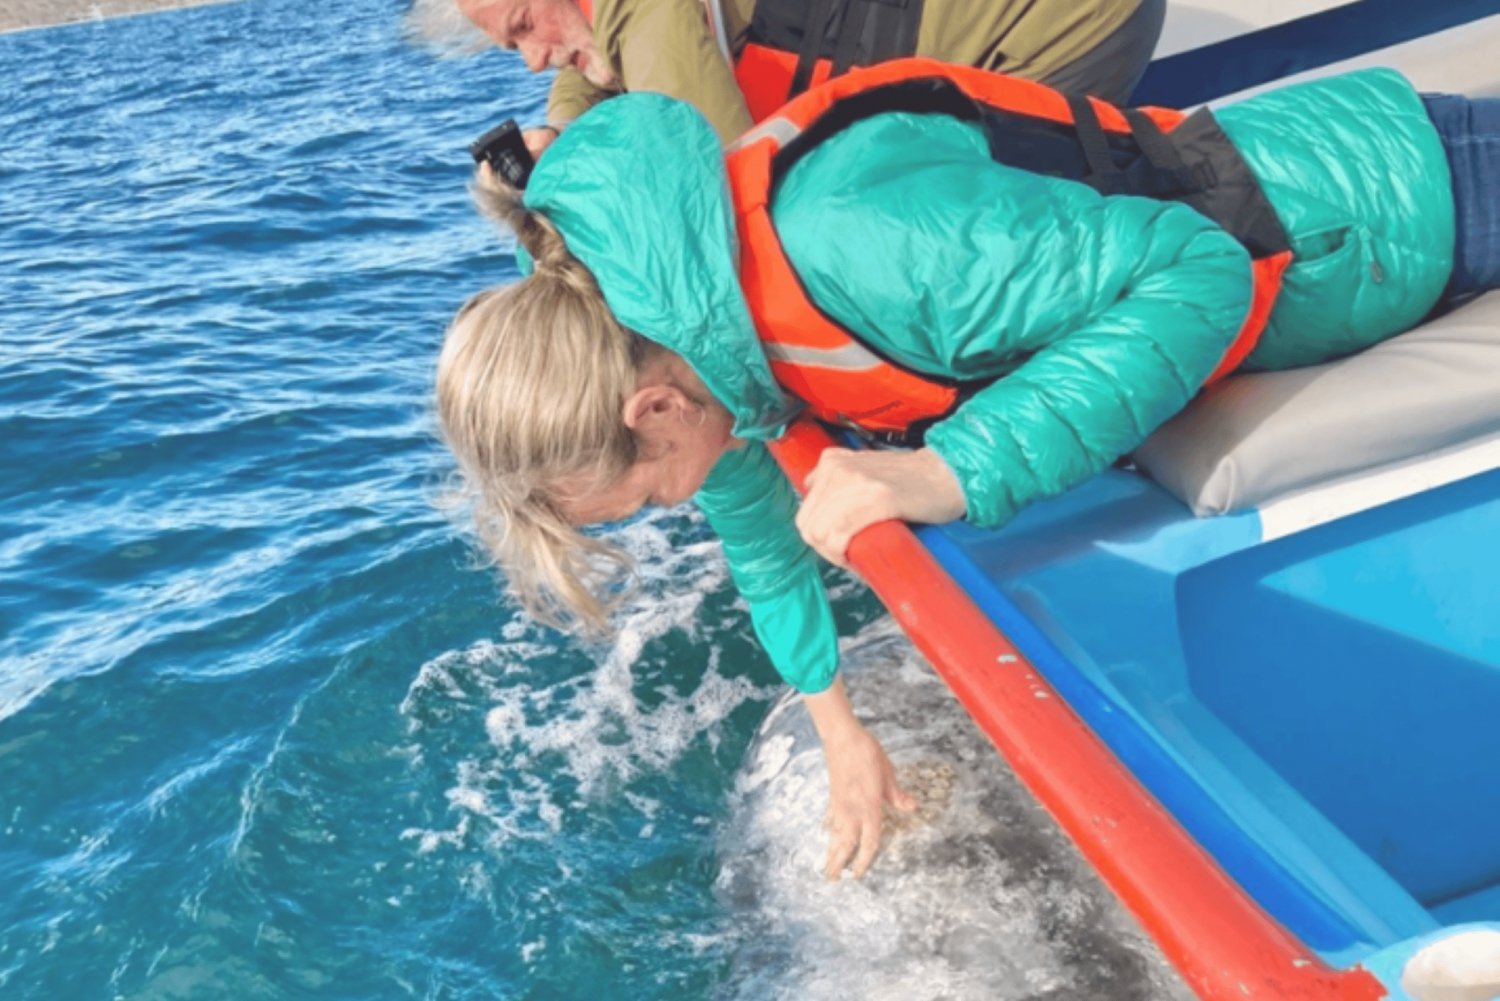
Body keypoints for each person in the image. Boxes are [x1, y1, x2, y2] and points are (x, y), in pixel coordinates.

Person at [433, 59, 1498, 878]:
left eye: (649, 493)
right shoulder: (678, 327)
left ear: (653, 409)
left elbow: (1197, 267)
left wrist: (948, 473)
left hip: (1401, 205)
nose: (675, 504)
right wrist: (837, 725)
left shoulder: (861, 242)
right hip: (1343, 255)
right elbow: (758, 524)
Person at [411, 0, 1165, 155]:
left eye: (520, 30)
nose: (533, 58)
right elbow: (594, 46)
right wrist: (563, 127)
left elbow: (729, 194)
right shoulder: (610, 19)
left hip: (1061, 30)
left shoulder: (646, 11)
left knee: (981, 225)